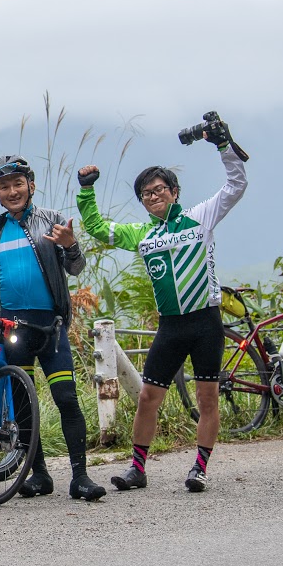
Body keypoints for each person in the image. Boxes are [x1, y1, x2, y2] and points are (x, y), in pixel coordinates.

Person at [76, 117, 247, 493]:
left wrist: (224, 147)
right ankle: (137, 469)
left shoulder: (199, 217)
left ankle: (199, 468)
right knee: (149, 398)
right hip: (171, 326)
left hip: (205, 322)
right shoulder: (142, 234)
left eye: (159, 190)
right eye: (146, 195)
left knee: (207, 398)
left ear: (173, 191)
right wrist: (86, 191)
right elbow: (98, 228)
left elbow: (237, 185)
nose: (153, 197)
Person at [0, 156, 105, 502]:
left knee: (66, 398)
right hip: (14, 329)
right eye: (3, 186)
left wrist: (71, 245)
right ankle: (39, 475)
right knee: (24, 404)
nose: (11, 191)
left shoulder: (52, 221)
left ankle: (80, 477)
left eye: (17, 184)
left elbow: (76, 268)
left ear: (31, 185)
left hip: (50, 328)